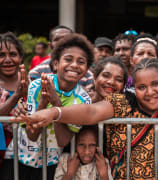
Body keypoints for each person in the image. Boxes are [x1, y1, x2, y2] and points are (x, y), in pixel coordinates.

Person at [14, 58, 158, 180]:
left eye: (156, 84)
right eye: (142, 86)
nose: (150, 92)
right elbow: (91, 112)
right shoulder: (123, 102)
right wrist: (55, 112)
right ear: (134, 88)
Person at [3, 33, 93, 180]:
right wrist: (44, 103)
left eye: (81, 62)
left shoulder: (83, 100)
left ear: (87, 69)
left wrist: (56, 105)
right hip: (17, 157)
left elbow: (63, 141)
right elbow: (32, 135)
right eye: (68, 59)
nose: (75, 65)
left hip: (50, 163)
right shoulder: (38, 85)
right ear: (56, 64)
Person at [28, 25, 94, 91]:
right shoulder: (36, 73)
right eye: (57, 39)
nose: (62, 42)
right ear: (50, 45)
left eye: (67, 39)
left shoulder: (88, 76)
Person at [0, 32, 28, 169]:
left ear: (20, 57)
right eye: (1, 55)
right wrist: (17, 95)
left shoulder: (32, 83)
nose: (7, 60)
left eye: (12, 54)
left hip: (27, 157)